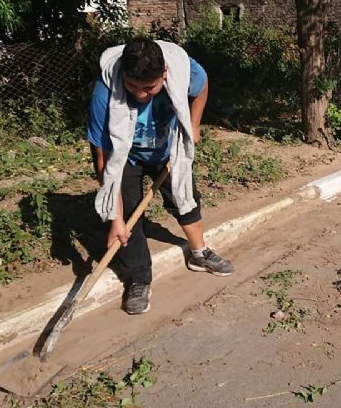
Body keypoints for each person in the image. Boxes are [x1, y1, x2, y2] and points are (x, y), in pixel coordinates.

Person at [87, 38, 234, 315]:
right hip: (124, 157)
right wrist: (116, 220)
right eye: (132, 86)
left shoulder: (183, 69)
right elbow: (104, 162)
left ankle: (199, 253)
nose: (141, 95)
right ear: (123, 76)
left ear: (164, 73)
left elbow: (202, 86)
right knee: (129, 213)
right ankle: (138, 278)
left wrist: (194, 125)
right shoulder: (104, 93)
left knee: (184, 196)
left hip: (166, 149)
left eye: (149, 88)